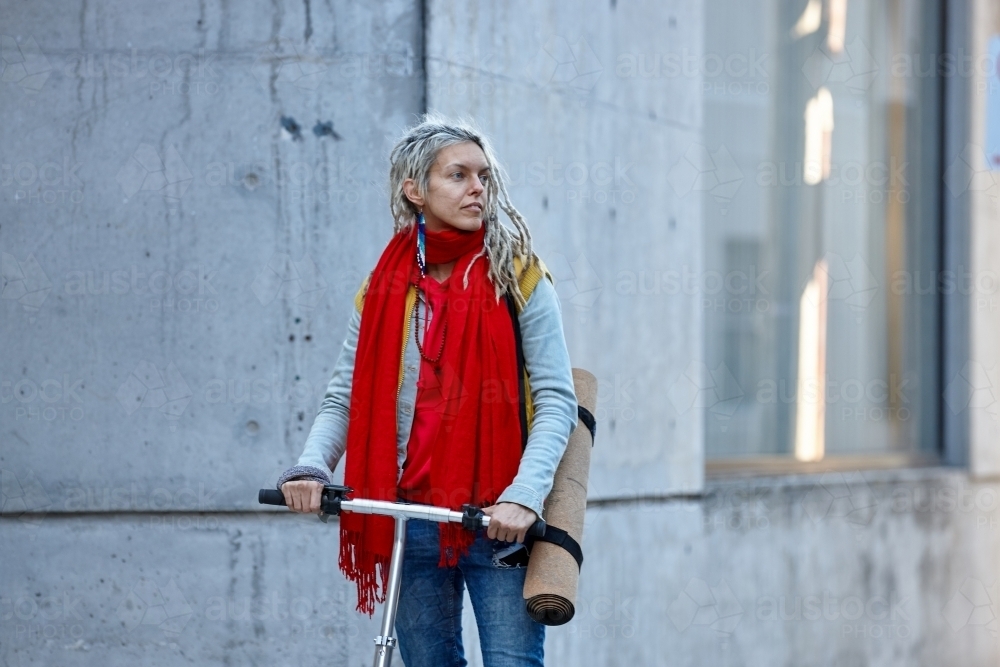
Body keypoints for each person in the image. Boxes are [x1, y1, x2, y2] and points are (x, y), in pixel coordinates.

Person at [276, 114, 577, 667]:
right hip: (410, 517)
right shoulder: (384, 286)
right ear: (416, 190)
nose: (477, 188)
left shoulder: (518, 274)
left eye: (483, 176)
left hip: (498, 522)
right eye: (458, 175)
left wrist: (523, 496)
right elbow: (346, 395)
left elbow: (558, 398)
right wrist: (312, 467)